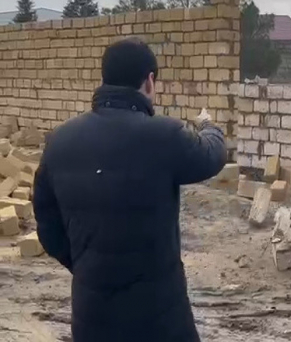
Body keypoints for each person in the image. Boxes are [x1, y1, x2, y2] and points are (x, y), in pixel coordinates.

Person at [33, 37, 227, 342]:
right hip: (160, 319)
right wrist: (209, 126)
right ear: (149, 81)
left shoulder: (59, 141)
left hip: (91, 317)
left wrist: (85, 262)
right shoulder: (164, 135)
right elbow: (211, 156)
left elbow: (47, 225)